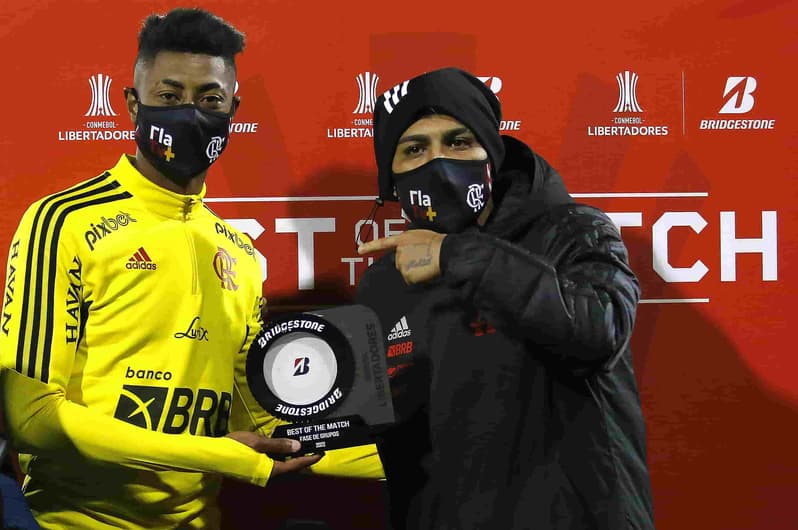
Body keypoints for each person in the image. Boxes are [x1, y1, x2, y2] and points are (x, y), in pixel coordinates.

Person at [0, 8, 381, 529]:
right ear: (133, 103)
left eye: (210, 99)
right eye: (169, 96)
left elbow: (266, 429)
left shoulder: (242, 256)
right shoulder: (61, 221)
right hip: (70, 521)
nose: (189, 112)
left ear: (233, 110)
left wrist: (425, 458)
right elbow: (33, 420)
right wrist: (226, 458)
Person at [356, 67, 655, 530]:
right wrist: (307, 435)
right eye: (414, 149)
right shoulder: (384, 282)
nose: (439, 163)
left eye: (459, 142)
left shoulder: (572, 230)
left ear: (491, 152)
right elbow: (380, 432)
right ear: (389, 177)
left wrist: (459, 254)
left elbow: (601, 331)